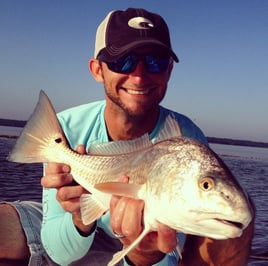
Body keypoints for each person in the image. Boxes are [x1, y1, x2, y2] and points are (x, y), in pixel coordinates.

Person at [0, 7, 254, 266]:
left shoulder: (189, 139)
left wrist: (145, 253)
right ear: (98, 69)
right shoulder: (63, 129)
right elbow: (59, 253)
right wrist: (79, 217)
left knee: (243, 213)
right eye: (123, 60)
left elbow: (164, 248)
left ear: (169, 71)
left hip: (140, 239)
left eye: (155, 61)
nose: (139, 75)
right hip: (77, 230)